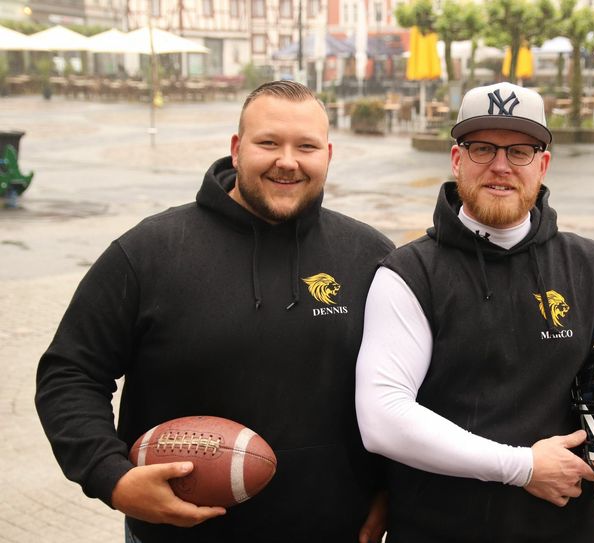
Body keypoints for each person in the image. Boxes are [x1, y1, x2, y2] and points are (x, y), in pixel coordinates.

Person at [355, 82, 594, 542]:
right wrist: (522, 467)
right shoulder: (409, 274)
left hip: (569, 529)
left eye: (520, 151)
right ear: (457, 159)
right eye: (482, 148)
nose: (501, 166)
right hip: (439, 527)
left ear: (543, 164)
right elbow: (382, 416)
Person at [36, 80, 393, 543]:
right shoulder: (150, 251)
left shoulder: (369, 255)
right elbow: (70, 373)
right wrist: (112, 476)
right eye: (268, 143)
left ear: (327, 154)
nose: (287, 161)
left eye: (305, 146)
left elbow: (410, 389)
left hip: (335, 530)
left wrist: (392, 491)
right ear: (237, 149)